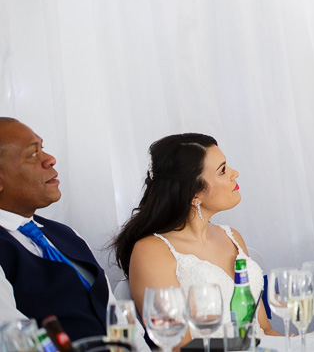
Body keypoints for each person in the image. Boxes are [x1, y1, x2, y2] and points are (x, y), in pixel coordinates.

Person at [113, 133, 279, 346]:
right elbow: (177, 346)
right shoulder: (152, 251)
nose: (234, 173)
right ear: (194, 194)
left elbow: (264, 329)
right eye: (223, 170)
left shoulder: (232, 237)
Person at [0, 117, 147, 347]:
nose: (50, 159)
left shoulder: (67, 235)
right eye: (32, 155)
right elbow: (15, 342)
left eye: (43, 148)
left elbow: (118, 318)